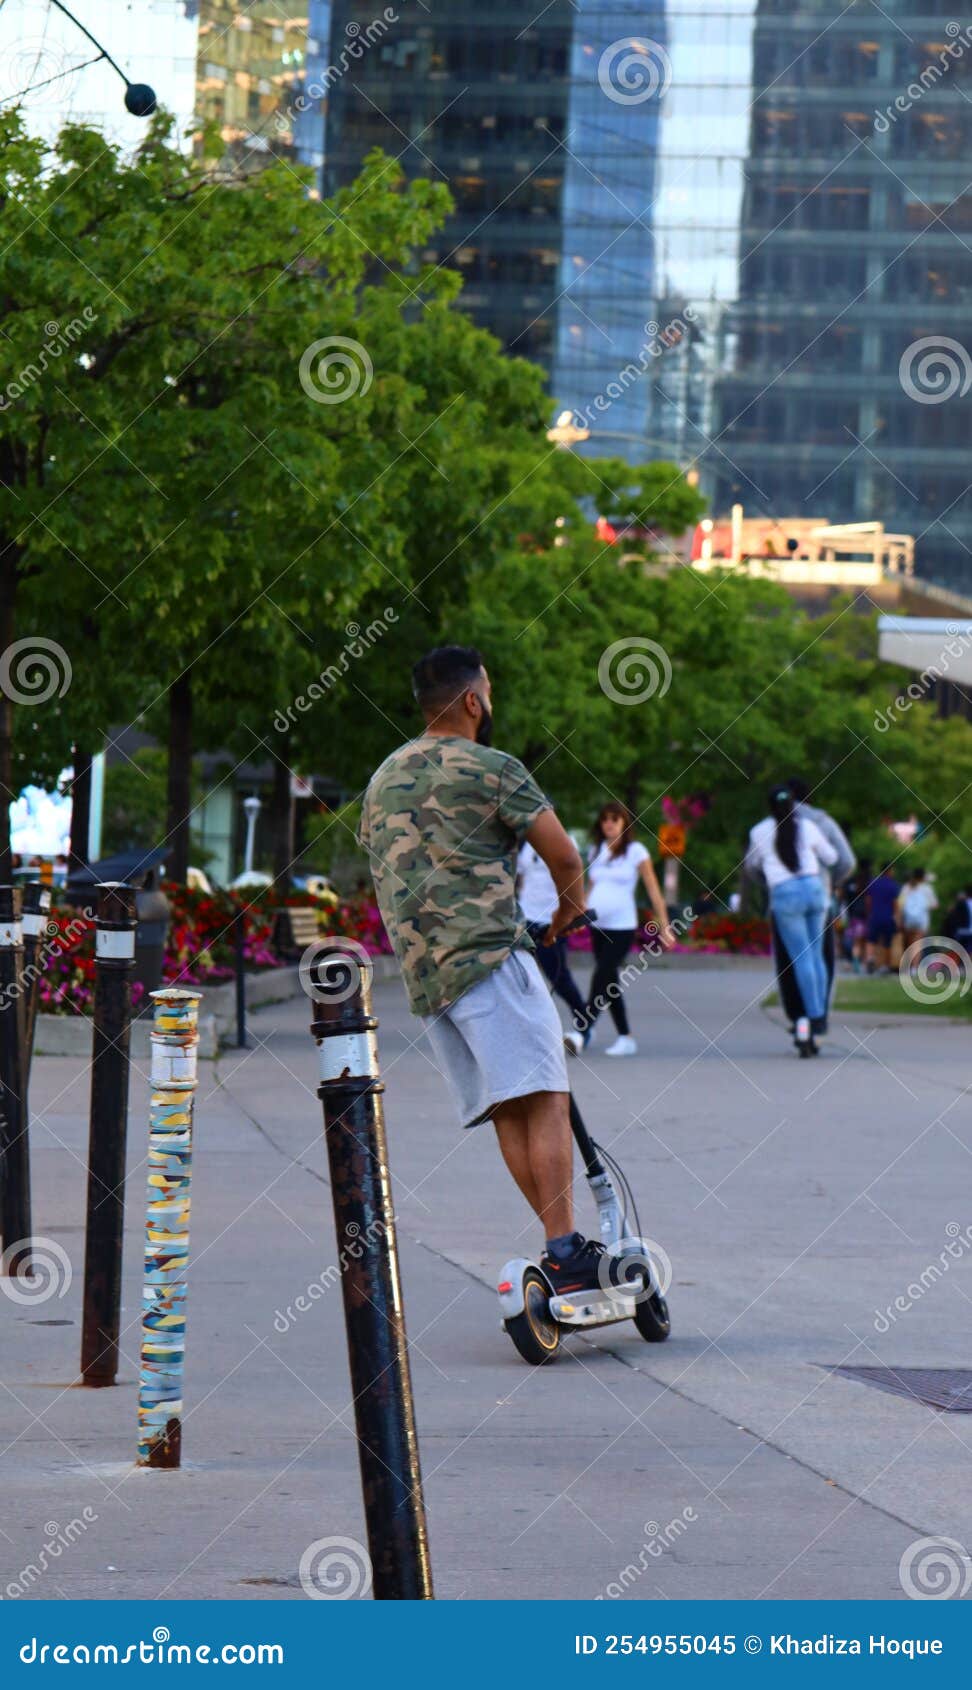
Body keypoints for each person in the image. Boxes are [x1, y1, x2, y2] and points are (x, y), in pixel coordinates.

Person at [358, 644, 605, 1294]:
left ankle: (563, 1248)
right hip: (492, 955)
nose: (489, 704)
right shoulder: (493, 767)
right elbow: (565, 857)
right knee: (548, 1096)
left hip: (429, 979)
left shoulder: (383, 776)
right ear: (473, 700)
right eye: (487, 693)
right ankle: (563, 1249)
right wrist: (566, 917)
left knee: (508, 1108)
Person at [564, 802, 671, 1059]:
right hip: (598, 926)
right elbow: (589, 888)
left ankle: (581, 1031)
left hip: (622, 927)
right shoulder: (597, 850)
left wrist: (664, 926)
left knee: (602, 974)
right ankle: (626, 1037)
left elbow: (654, 890)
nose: (609, 823)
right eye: (604, 819)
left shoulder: (636, 851)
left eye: (615, 819)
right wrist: (577, 916)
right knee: (608, 981)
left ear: (624, 823)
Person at [746, 785, 838, 1036]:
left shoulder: (759, 831)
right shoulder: (808, 827)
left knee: (802, 958)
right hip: (814, 889)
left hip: (785, 895)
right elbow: (831, 858)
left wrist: (768, 878)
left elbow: (752, 865)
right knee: (817, 956)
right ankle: (820, 1016)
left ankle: (811, 1016)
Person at [516, 840, 588, 1031]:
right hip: (525, 918)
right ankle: (525, 1029)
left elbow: (572, 870)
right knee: (519, 976)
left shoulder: (565, 840)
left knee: (558, 977)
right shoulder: (524, 844)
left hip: (552, 920)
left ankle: (584, 1019)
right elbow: (520, 878)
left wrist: (572, 911)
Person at [866, 864, 901, 973]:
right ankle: (885, 966)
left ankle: (870, 958)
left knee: (871, 940)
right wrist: (898, 918)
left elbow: (868, 900)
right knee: (887, 943)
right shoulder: (893, 885)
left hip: (874, 916)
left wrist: (869, 913)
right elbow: (895, 904)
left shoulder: (873, 882)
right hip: (888, 917)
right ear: (889, 871)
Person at [898, 867, 937, 964]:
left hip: (908, 920)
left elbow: (900, 904)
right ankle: (914, 967)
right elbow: (934, 905)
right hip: (922, 920)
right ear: (923, 877)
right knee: (917, 944)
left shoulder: (906, 887)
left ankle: (907, 965)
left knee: (909, 943)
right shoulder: (927, 888)